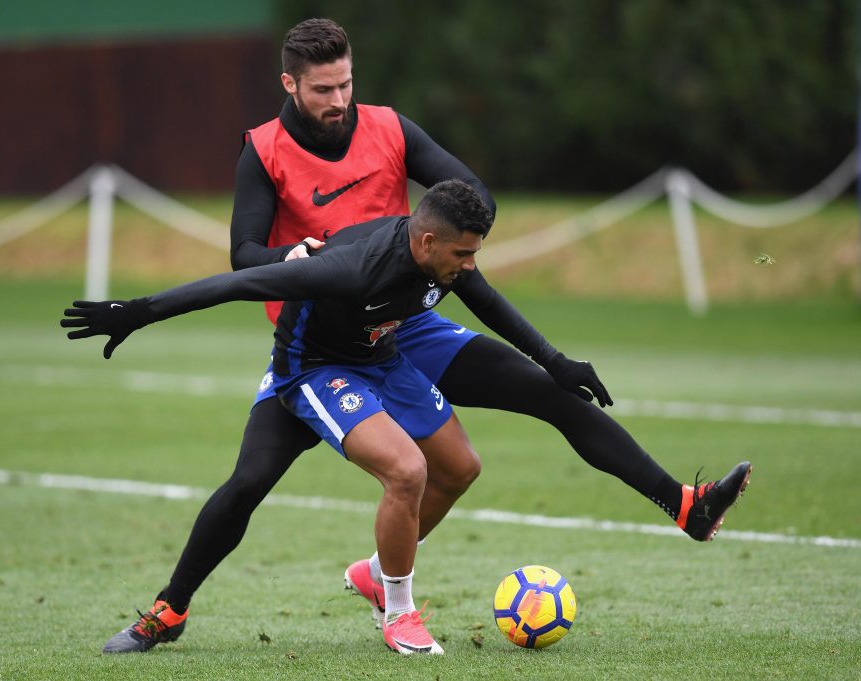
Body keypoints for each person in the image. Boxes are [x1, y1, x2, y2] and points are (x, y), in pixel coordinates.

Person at [91, 18, 751, 654]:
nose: (339, 100)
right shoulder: (264, 150)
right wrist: (286, 262)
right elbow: (241, 261)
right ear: (290, 85)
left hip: (402, 322)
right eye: (323, 89)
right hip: (319, 341)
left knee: (539, 398)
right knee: (249, 483)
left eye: (345, 84)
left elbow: (471, 211)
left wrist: (537, 337)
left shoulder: (389, 133)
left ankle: (683, 505)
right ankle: (170, 608)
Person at [64, 180, 623, 654]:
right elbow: (239, 284)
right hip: (310, 371)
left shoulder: (443, 258)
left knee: (459, 467)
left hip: (380, 361)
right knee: (364, 474)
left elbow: (492, 303)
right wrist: (137, 312)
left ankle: (376, 573)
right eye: (463, 255)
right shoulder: (352, 270)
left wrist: (556, 363)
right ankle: (178, 610)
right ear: (428, 241)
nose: (471, 266)